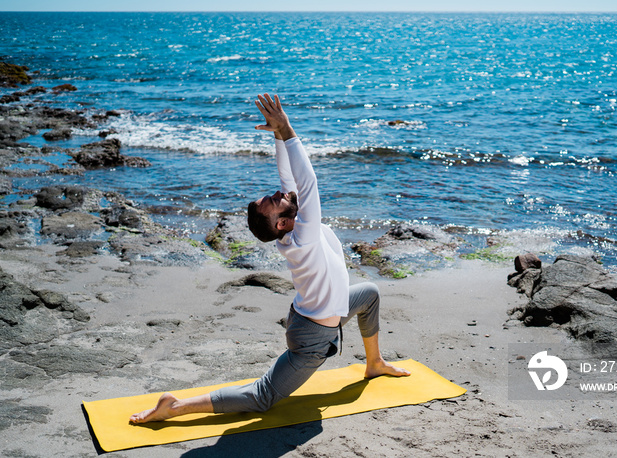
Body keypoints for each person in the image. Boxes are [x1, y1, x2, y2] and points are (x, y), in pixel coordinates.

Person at [130, 93, 409, 424]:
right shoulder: (303, 236)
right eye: (274, 201)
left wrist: (277, 135)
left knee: (370, 294)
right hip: (311, 337)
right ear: (280, 223)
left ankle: (374, 363)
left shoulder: (294, 225)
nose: (279, 194)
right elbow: (309, 182)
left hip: (325, 311)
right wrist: (289, 130)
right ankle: (174, 406)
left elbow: (289, 181)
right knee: (262, 397)